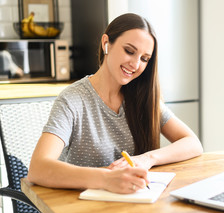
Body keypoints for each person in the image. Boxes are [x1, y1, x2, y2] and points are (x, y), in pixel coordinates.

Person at [27, 13, 203, 194]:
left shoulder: (143, 98)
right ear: (106, 44)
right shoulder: (72, 100)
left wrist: (147, 159)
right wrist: (106, 179)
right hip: (81, 210)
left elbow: (193, 143)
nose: (135, 65)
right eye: (129, 51)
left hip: (133, 208)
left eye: (144, 59)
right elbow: (38, 169)